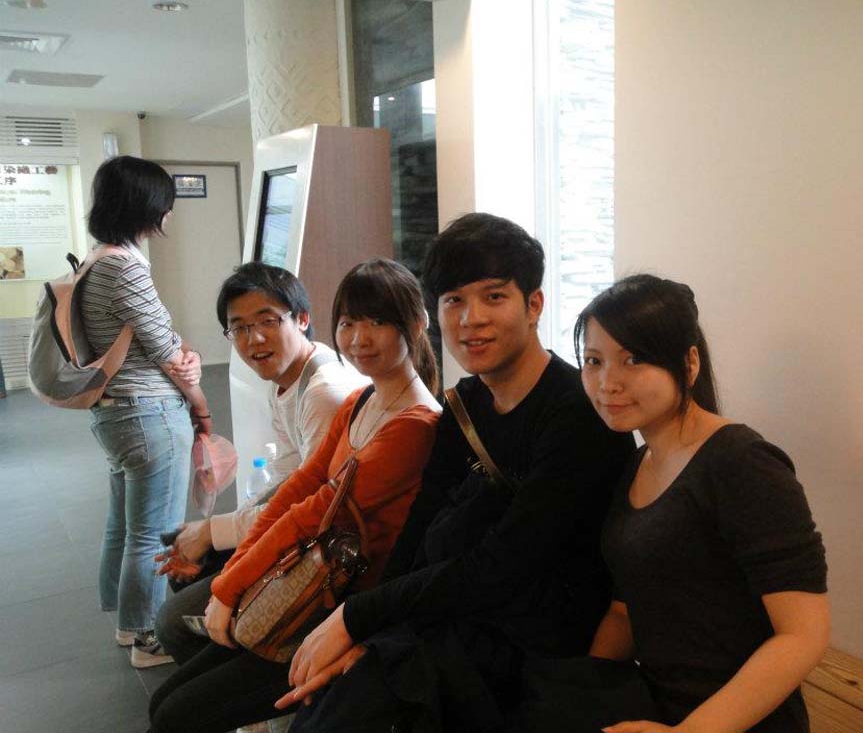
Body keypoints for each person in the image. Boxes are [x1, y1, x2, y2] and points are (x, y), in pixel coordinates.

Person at [281, 213, 636, 733]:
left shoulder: (577, 414)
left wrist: (359, 619)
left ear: (534, 305)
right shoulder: (465, 405)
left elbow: (504, 564)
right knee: (327, 700)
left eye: (494, 297)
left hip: (535, 649)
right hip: (458, 621)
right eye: (454, 300)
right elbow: (420, 528)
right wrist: (367, 628)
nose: (471, 319)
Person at [518, 274, 830, 733]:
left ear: (688, 363)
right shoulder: (638, 463)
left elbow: (803, 635)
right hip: (654, 705)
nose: (607, 382)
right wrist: (582, 691)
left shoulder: (741, 462)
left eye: (634, 359)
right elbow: (625, 610)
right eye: (594, 361)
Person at [148, 257, 441, 733]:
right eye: (348, 323)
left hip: (332, 602)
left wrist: (229, 587)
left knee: (174, 714)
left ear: (418, 323)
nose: (359, 338)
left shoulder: (415, 424)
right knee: (166, 702)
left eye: (378, 322)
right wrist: (234, 576)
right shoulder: (361, 400)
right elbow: (299, 488)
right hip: (301, 579)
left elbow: (314, 513)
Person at [154, 262, 369, 665]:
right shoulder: (288, 379)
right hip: (309, 526)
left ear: (302, 319)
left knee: (172, 622)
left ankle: (254, 669)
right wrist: (211, 533)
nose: (253, 338)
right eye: (238, 328)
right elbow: (289, 480)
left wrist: (214, 533)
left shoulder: (323, 392)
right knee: (195, 565)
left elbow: (315, 508)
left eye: (268, 321)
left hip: (338, 552)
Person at [80, 155, 212, 668]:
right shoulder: (125, 265)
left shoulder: (96, 259)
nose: (169, 212)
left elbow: (156, 338)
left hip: (116, 411)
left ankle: (126, 621)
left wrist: (181, 352)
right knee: (154, 532)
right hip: (148, 413)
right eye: (165, 202)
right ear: (145, 205)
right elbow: (164, 347)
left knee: (125, 524)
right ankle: (147, 638)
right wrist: (200, 404)